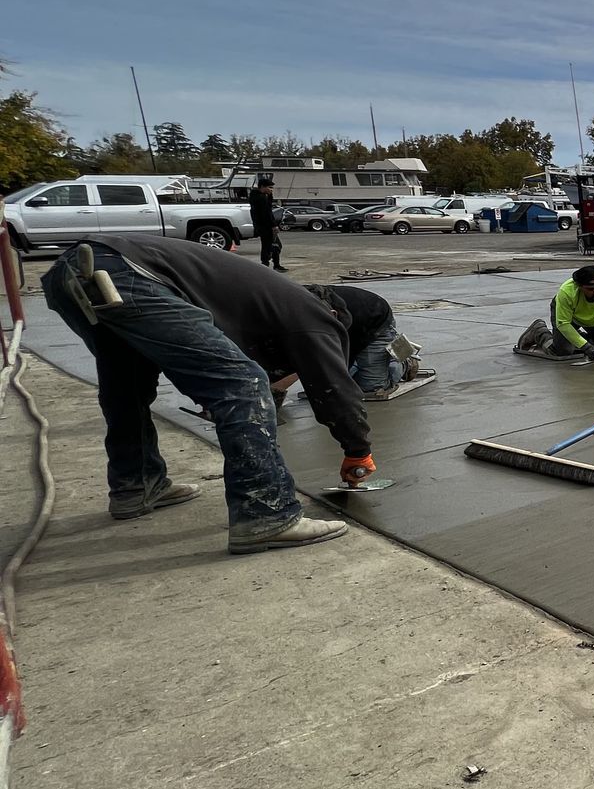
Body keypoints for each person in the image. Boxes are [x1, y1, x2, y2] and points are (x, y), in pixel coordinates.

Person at [40, 234, 370, 554]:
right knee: (243, 384)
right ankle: (266, 514)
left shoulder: (261, 298)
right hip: (123, 272)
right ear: (334, 315)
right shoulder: (310, 311)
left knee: (128, 382)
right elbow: (333, 387)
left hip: (73, 274)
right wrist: (357, 449)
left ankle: (136, 486)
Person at [307, 283, 429, 395]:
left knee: (371, 387)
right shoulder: (296, 307)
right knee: (331, 382)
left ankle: (405, 364)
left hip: (375, 325)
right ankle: (362, 366)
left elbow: (342, 348)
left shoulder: (331, 314)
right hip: (351, 325)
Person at [514, 264, 594, 371]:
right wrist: (586, 347)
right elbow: (563, 324)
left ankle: (579, 338)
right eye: (591, 289)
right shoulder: (566, 293)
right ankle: (539, 332)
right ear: (579, 287)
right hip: (568, 318)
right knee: (563, 352)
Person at [248, 174, 284, 271]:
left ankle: (272, 264)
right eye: (270, 187)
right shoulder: (261, 198)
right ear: (263, 187)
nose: (271, 190)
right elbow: (267, 213)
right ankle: (268, 265)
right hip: (265, 227)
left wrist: (269, 196)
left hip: (261, 226)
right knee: (271, 246)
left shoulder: (257, 196)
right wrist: (274, 226)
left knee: (270, 245)